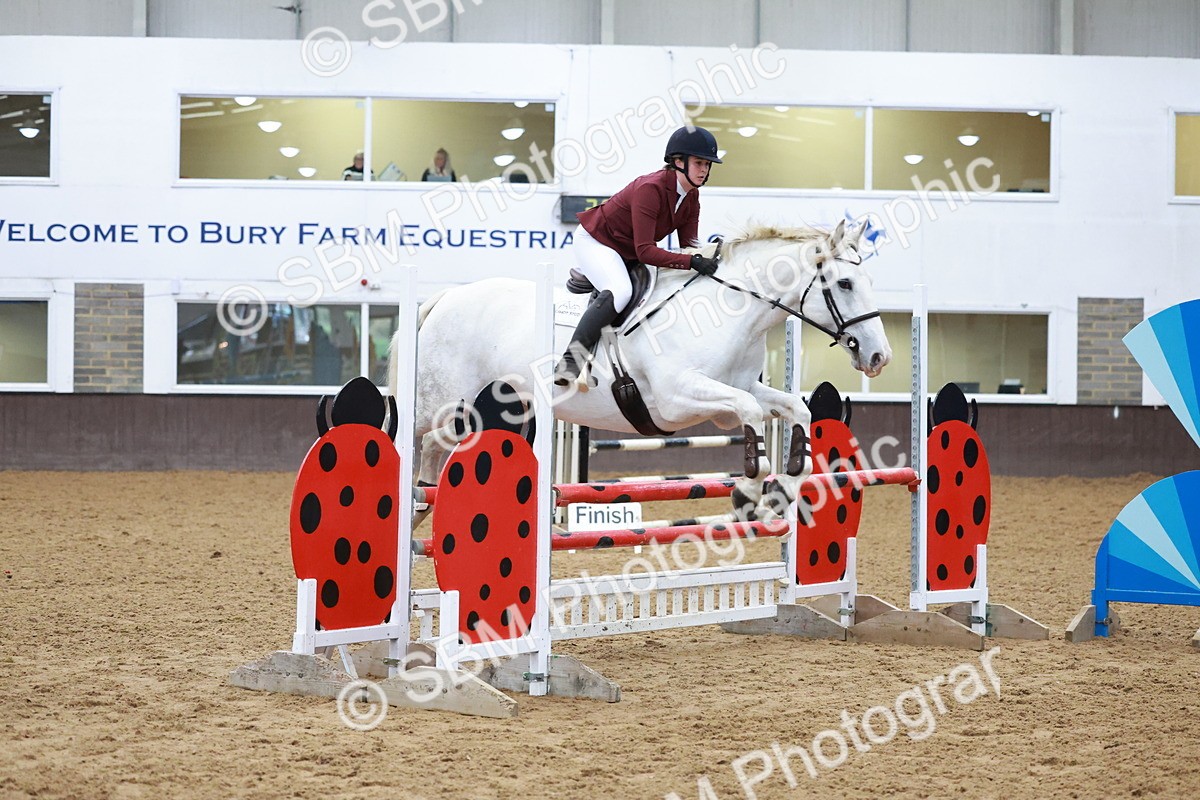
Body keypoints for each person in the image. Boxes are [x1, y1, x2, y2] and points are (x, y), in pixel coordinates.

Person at [553, 125, 722, 386]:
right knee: (621, 291)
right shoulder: (650, 188)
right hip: (598, 241)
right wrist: (691, 261)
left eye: (708, 165)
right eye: (699, 163)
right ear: (678, 162)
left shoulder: (691, 196)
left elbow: (689, 246)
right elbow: (646, 251)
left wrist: (708, 259)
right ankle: (570, 362)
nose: (704, 170)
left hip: (627, 248)